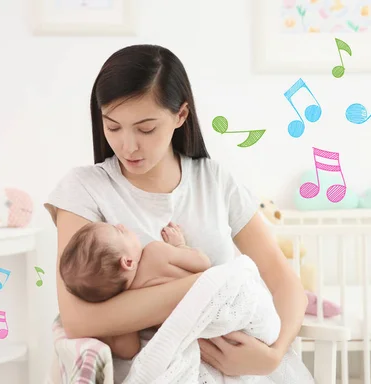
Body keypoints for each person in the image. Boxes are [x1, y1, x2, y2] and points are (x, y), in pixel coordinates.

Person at [45, 44, 308, 381]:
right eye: (113, 127)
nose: (128, 145)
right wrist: (206, 287)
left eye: (145, 129)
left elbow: (284, 281)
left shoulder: (214, 180)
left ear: (180, 115)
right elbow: (80, 319)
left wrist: (272, 357)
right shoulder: (82, 189)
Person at [59, 220, 211, 359]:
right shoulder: (156, 252)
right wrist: (179, 245)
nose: (121, 225)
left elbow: (129, 350)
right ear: (128, 262)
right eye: (119, 232)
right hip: (213, 304)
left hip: (200, 337)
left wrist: (106, 334)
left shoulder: (126, 308)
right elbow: (203, 263)